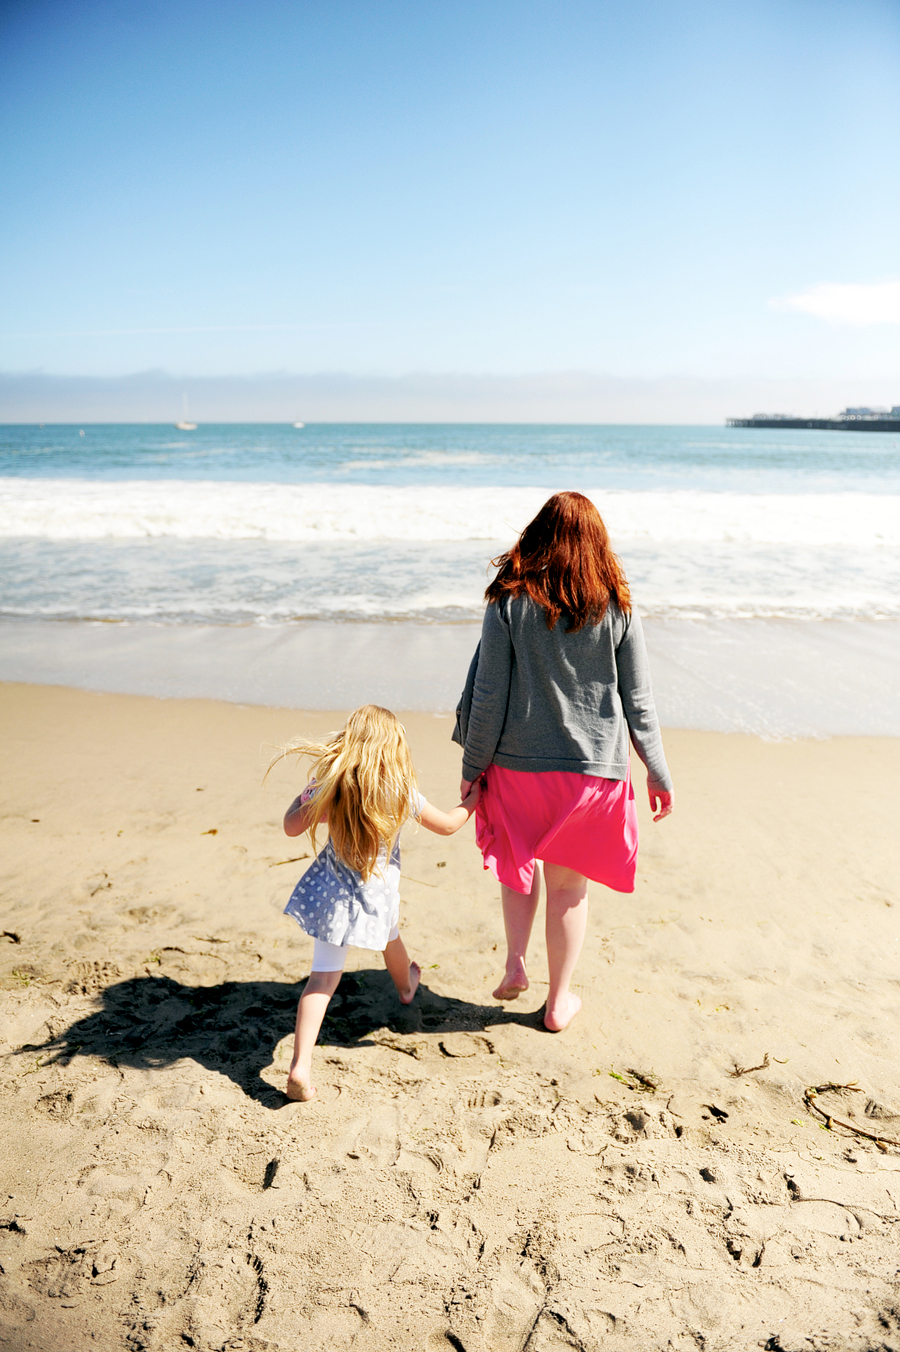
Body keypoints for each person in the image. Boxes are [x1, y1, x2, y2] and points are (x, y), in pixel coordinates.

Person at [453, 491, 673, 1033]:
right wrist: (658, 771)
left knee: (517, 867)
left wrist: (472, 767)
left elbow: (489, 695)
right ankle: (558, 1002)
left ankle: (514, 964)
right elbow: (637, 701)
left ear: (537, 536)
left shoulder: (508, 603)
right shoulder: (617, 608)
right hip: (592, 774)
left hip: (516, 767)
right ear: (597, 546)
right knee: (569, 888)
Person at [272, 704, 480, 1102]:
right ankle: (406, 988)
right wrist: (474, 799)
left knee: (322, 979)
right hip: (376, 897)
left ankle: (300, 1066)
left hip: (332, 897)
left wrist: (307, 791)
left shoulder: (332, 788)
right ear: (394, 750)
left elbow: (290, 826)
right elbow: (449, 825)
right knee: (391, 941)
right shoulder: (400, 791)